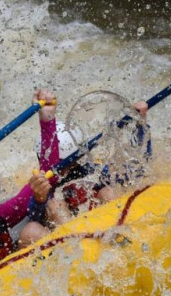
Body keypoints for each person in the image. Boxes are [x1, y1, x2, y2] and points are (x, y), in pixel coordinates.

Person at [18, 99, 151, 245]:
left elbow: (137, 170)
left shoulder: (92, 171)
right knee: (53, 206)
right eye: (60, 165)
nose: (64, 170)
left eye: (70, 163)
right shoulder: (42, 184)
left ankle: (120, 234)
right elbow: (33, 216)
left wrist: (140, 123)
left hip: (100, 227)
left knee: (108, 192)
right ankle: (78, 245)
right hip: (65, 239)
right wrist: (39, 199)